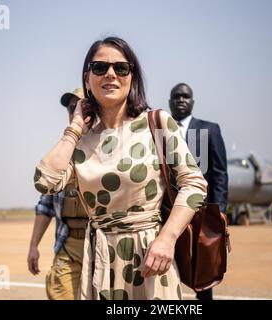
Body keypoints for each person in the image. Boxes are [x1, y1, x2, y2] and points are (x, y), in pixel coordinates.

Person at [33, 36, 207, 300]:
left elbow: (194, 183)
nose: (111, 74)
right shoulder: (82, 141)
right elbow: (45, 181)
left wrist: (167, 239)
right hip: (99, 262)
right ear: (88, 77)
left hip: (150, 255)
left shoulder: (157, 123)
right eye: (100, 67)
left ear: (132, 76)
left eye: (121, 68)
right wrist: (75, 128)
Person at [169, 83, 229, 300]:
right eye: (176, 97)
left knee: (203, 269)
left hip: (201, 212)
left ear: (192, 101)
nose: (180, 100)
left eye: (185, 96)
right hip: (166, 212)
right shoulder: (159, 131)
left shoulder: (209, 130)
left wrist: (219, 210)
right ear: (170, 102)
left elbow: (220, 172)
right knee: (165, 266)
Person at [27, 88, 88, 300]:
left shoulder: (113, 148)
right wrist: (33, 246)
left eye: (81, 106)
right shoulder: (62, 153)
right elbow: (46, 205)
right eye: (72, 108)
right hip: (68, 244)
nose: (75, 111)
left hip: (102, 247)